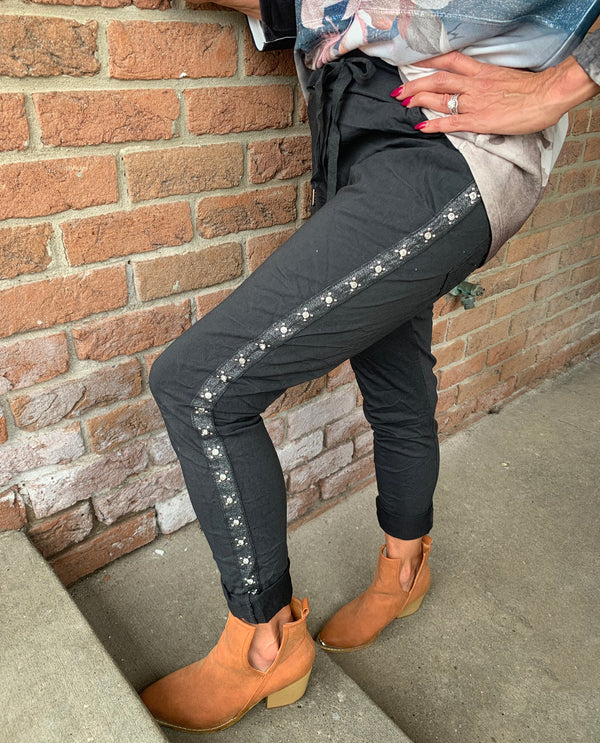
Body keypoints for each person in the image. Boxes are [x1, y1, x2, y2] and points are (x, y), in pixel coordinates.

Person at [140, 0, 600, 733]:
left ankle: (262, 646)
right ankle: (403, 570)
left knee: (199, 387)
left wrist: (561, 86)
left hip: (449, 143)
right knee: (394, 381)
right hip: (348, 135)